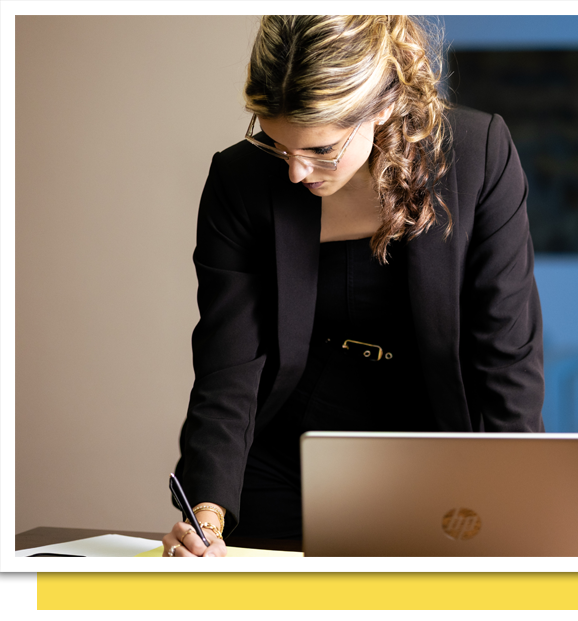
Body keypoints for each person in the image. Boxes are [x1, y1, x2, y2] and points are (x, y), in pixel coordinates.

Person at [163, 15, 544, 558]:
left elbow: (506, 356)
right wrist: (207, 515)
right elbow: (229, 367)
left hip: (435, 453)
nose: (295, 173)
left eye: (321, 150)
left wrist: (519, 507)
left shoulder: (477, 156)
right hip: (284, 457)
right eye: (276, 144)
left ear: (383, 104)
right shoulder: (240, 180)